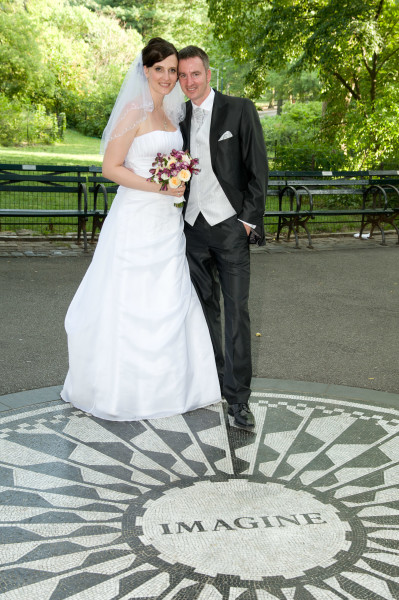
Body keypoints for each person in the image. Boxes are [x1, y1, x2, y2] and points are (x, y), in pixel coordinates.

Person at [61, 38, 221, 421]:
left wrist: (177, 181)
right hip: (135, 219)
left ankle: (173, 386)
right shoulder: (133, 111)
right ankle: (124, 390)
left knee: (169, 296)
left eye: (172, 70)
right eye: (160, 69)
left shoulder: (172, 114)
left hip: (167, 223)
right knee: (129, 300)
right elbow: (111, 168)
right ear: (145, 71)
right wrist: (160, 186)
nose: (167, 77)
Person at [178, 46, 268, 430]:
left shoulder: (239, 109)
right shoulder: (177, 116)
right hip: (192, 229)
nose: (188, 82)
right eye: (182, 76)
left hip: (230, 229)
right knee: (202, 313)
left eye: (195, 74)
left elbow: (258, 169)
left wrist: (247, 222)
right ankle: (214, 382)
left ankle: (239, 400)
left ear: (208, 74)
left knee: (236, 314)